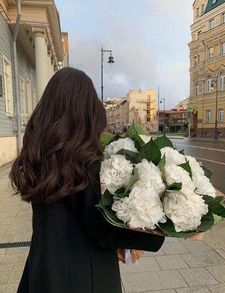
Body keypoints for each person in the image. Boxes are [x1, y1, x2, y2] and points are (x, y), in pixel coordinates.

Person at [9, 68, 165, 293]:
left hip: (43, 269)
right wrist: (154, 234)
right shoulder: (85, 163)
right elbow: (101, 230)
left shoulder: (38, 155)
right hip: (83, 276)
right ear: (88, 112)